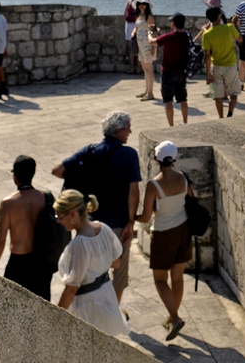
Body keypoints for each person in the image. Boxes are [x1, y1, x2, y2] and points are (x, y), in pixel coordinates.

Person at [51, 111, 142, 302]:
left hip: (89, 224)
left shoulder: (90, 151)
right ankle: (113, 309)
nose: (130, 132)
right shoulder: (129, 155)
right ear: (119, 130)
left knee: (89, 268)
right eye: (128, 128)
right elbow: (134, 192)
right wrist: (131, 222)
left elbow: (57, 170)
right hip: (117, 223)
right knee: (119, 269)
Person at [137, 140, 195, 341]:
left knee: (160, 280)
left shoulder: (154, 185)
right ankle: (172, 316)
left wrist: (131, 217)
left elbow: (145, 217)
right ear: (175, 158)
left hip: (163, 234)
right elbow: (191, 199)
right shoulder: (183, 178)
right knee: (177, 277)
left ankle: (176, 319)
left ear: (156, 160)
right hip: (183, 230)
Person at [52, 189, 130, 338]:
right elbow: (116, 263)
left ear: (73, 214)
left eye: (60, 216)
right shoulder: (103, 228)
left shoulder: (79, 244)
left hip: (88, 304)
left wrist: (56, 316)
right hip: (106, 294)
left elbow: (72, 288)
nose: (58, 221)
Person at [0, 155, 55, 298]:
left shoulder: (8, 203)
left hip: (18, 264)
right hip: (41, 263)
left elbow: (1, 241)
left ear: (15, 176)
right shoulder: (45, 198)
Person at [196, 4, 241, 118]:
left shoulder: (207, 34)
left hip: (216, 67)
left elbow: (207, 55)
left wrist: (208, 74)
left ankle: (221, 117)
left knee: (218, 96)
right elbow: (240, 39)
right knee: (234, 94)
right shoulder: (230, 28)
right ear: (219, 16)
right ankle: (230, 113)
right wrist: (235, 24)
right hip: (231, 65)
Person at [153, 13, 192, 127]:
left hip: (168, 72)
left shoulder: (169, 37)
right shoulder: (186, 36)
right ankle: (185, 122)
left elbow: (153, 41)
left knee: (168, 101)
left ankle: (171, 126)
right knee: (183, 99)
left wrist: (151, 33)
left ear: (173, 23)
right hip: (181, 72)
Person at [133, 0, 158, 100]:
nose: (141, 6)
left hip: (147, 44)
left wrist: (153, 46)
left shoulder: (149, 17)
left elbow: (152, 31)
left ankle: (150, 93)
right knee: (145, 69)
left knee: (149, 69)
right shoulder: (139, 16)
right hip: (140, 44)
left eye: (144, 4)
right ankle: (147, 91)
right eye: (140, 4)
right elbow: (138, 28)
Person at [124, 0, 149, 74]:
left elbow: (125, 11)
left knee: (131, 48)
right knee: (140, 49)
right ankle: (138, 69)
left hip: (130, 25)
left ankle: (131, 68)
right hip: (141, 25)